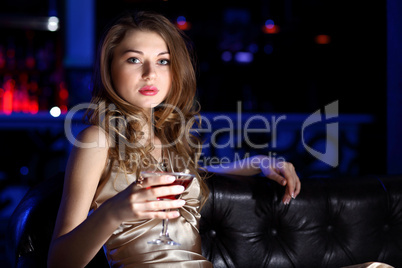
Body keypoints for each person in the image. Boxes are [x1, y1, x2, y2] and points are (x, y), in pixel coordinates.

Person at [47, 10, 301, 268]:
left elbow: (199, 175)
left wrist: (260, 162)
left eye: (163, 61)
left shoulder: (170, 141)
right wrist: (114, 211)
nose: (150, 73)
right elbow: (58, 262)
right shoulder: (97, 140)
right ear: (110, 68)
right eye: (134, 60)